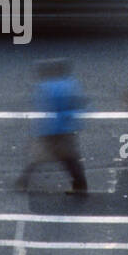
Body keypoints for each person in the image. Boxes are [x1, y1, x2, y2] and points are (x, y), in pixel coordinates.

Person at [17, 60, 88, 194]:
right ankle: (80, 184)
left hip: (52, 130)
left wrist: (40, 128)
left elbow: (45, 108)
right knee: (68, 158)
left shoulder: (46, 87)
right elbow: (76, 105)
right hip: (66, 128)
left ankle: (23, 183)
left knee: (39, 156)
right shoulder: (70, 84)